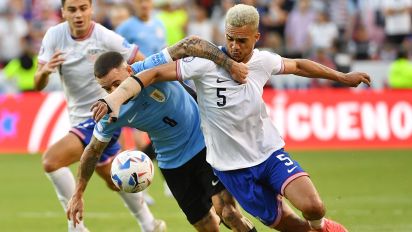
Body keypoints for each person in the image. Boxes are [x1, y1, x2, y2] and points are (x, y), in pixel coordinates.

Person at [95, 4, 371, 232]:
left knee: (313, 207)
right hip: (232, 169)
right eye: (230, 39)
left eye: (242, 40)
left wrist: (341, 77)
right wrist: (115, 98)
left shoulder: (262, 61)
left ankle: (322, 227)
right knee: (288, 225)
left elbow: (298, 65)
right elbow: (150, 75)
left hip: (268, 152)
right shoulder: (203, 64)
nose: (234, 46)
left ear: (256, 38)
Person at [67, 37, 256, 232]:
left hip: (206, 145)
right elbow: (93, 150)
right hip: (172, 164)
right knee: (206, 226)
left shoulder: (148, 68)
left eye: (116, 84)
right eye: (107, 89)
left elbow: (188, 45)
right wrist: (78, 194)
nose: (114, 92)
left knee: (228, 212)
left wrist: (229, 63)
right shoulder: (110, 111)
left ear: (130, 71)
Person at [33, 0, 164, 231]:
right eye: (72, 9)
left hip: (104, 114)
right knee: (115, 179)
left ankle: (76, 227)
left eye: (83, 8)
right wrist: (44, 72)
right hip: (78, 120)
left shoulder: (105, 36)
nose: (78, 14)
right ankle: (150, 224)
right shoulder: (54, 36)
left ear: (91, 9)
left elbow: (141, 62)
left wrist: (134, 92)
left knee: (51, 161)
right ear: (63, 12)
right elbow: (38, 83)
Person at [114, 0, 170, 202]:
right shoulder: (125, 27)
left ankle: (166, 181)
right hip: (134, 88)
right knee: (138, 140)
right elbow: (115, 56)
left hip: (157, 87)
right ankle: (139, 189)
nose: (144, 4)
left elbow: (163, 52)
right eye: (139, 1)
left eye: (146, 1)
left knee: (162, 133)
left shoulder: (159, 24)